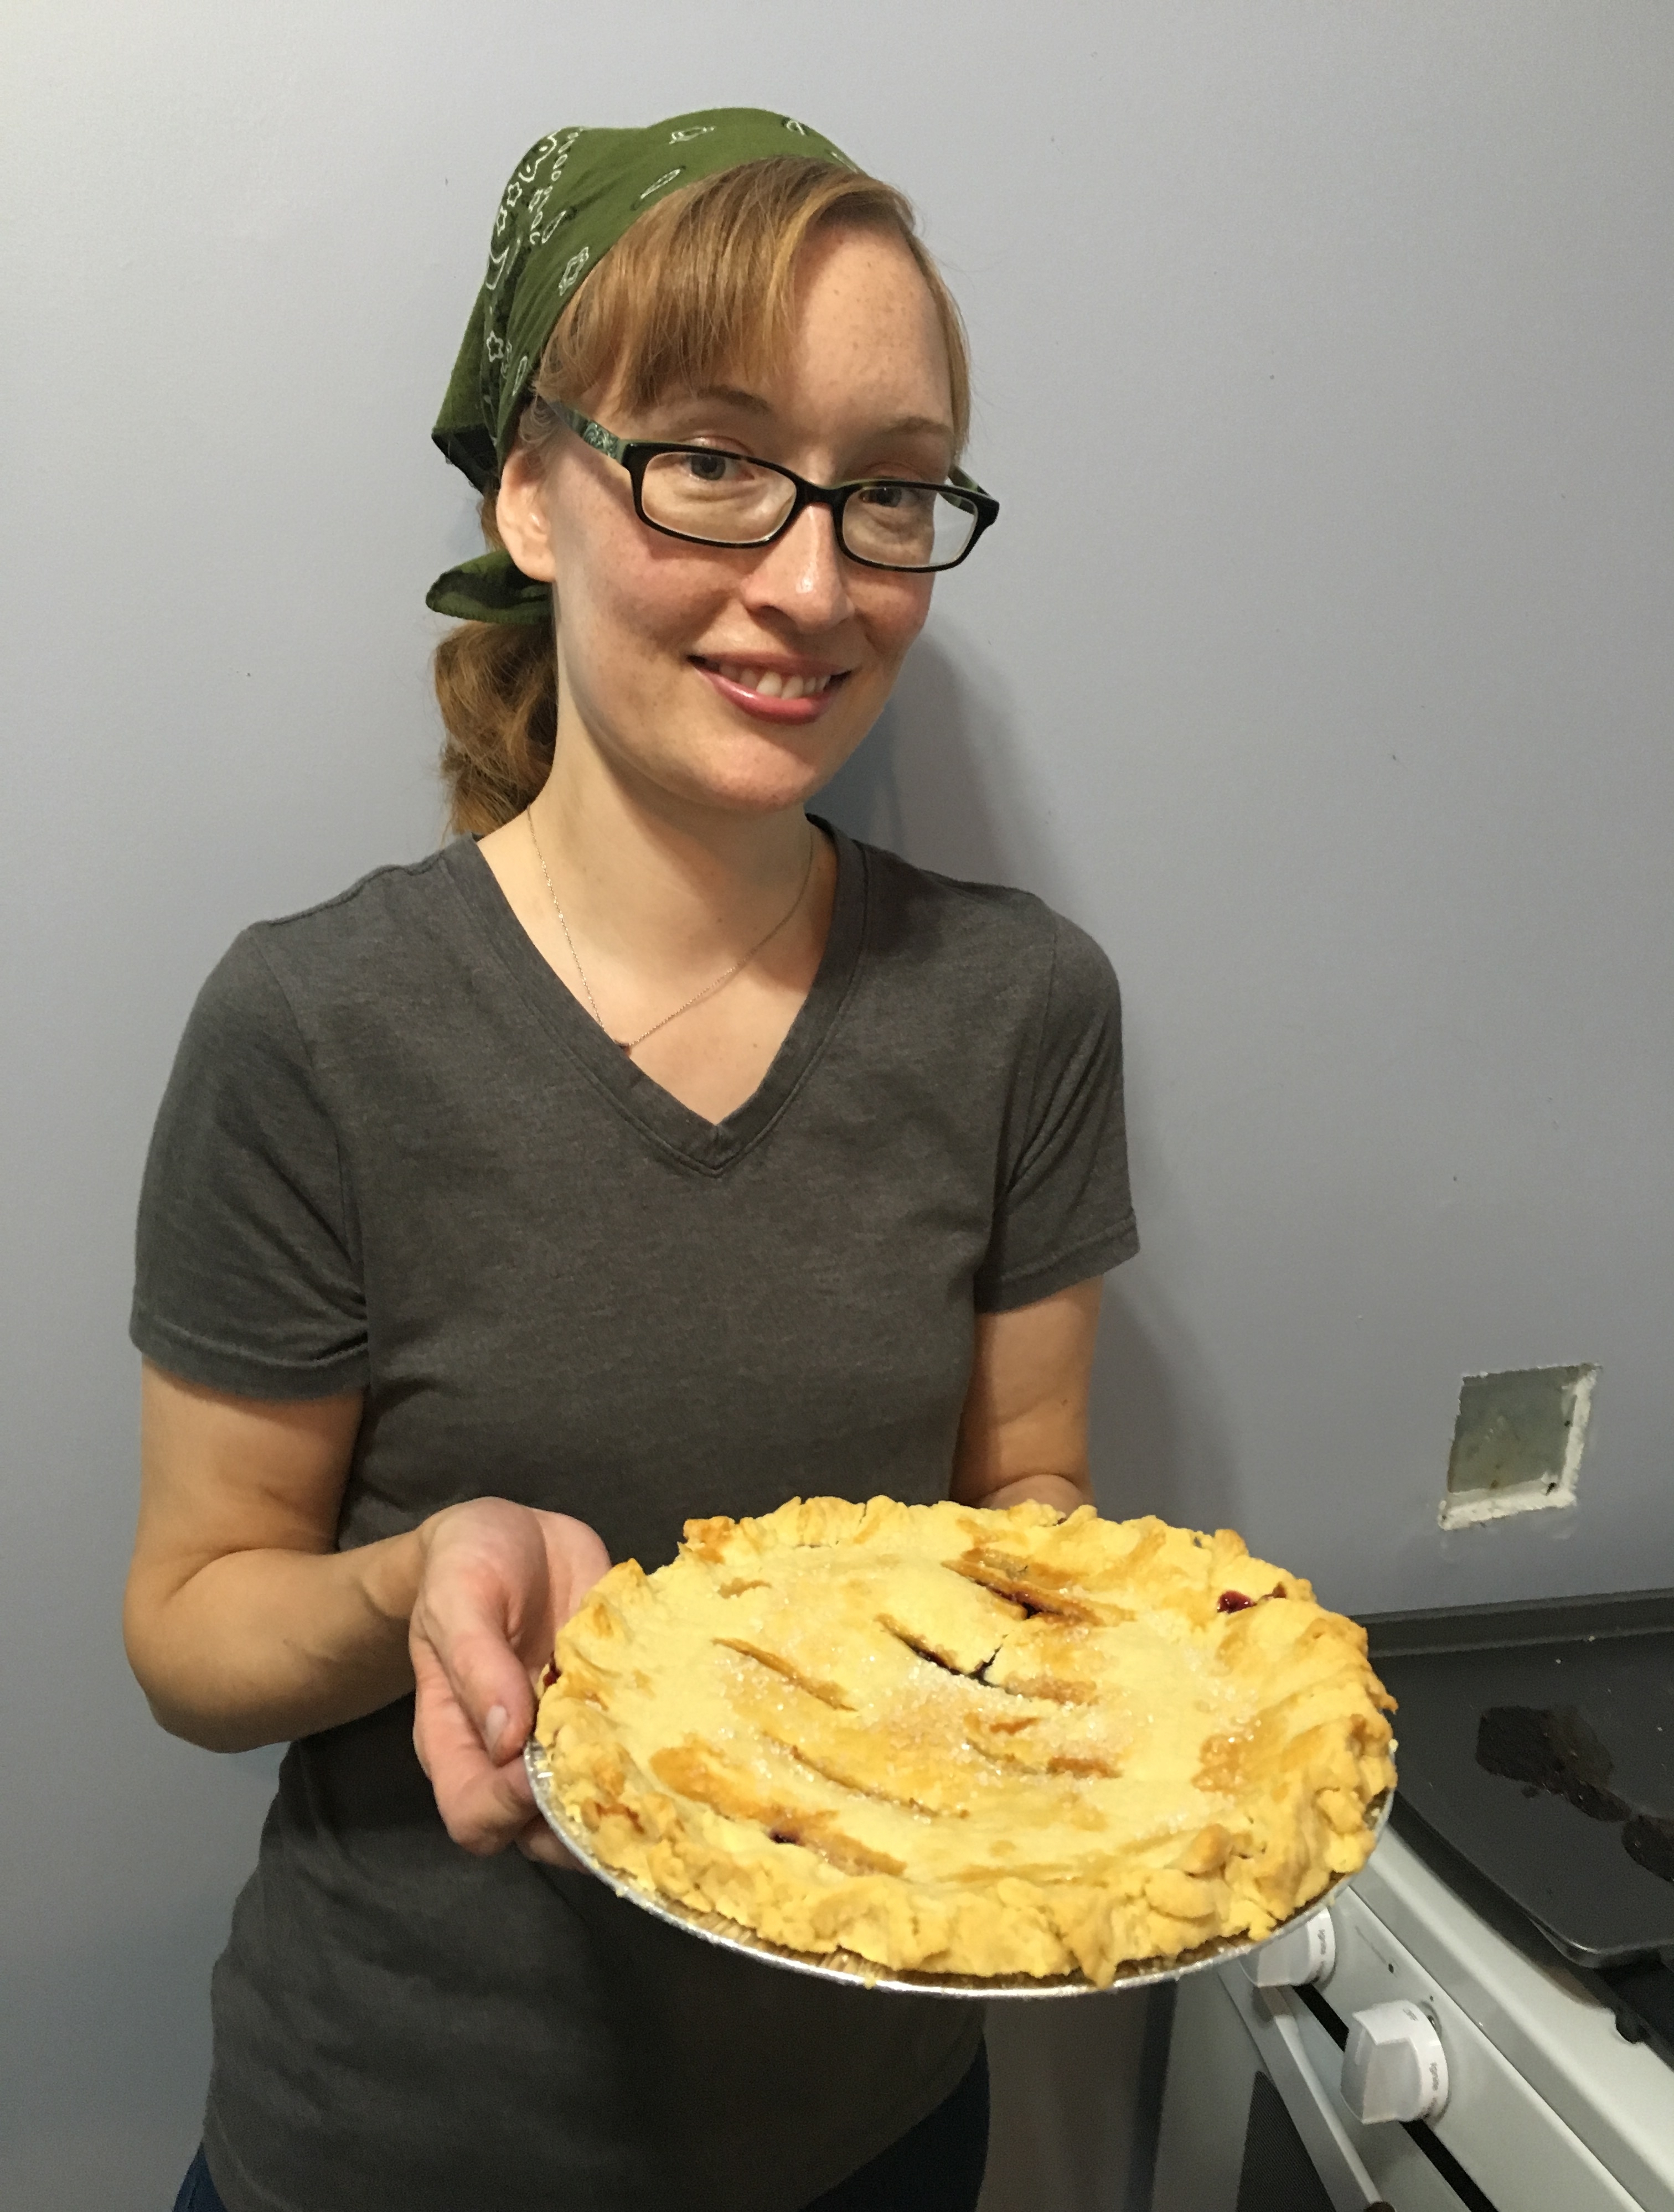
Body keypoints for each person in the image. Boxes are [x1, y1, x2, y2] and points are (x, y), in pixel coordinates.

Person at [124, 106, 1138, 2212]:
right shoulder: (317, 1029)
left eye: (891, 491)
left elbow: (1027, 1501)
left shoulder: (1021, 1007)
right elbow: (193, 1628)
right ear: (528, 487)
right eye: (710, 459)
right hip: (406, 2146)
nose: (810, 575)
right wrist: (415, 1581)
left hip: (869, 2124)